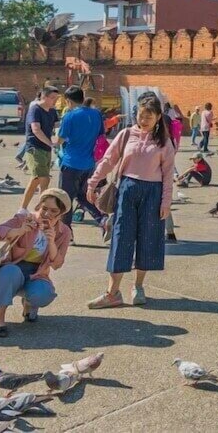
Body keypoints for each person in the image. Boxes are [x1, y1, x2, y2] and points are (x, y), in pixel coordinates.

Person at [85, 94, 176, 309]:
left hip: (153, 193)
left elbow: (168, 174)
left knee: (148, 239)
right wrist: (93, 181)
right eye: (140, 115)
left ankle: (138, 286)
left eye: (149, 116)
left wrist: (166, 202)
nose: (143, 120)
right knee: (121, 238)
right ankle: (112, 292)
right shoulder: (126, 135)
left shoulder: (164, 142)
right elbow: (108, 160)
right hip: (126, 190)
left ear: (157, 118)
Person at [0, 188, 72, 337]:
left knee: (43, 294)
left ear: (61, 213)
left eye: (53, 211)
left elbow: (57, 264)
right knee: (9, 273)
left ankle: (30, 303)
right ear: (39, 205)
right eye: (44, 208)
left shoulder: (63, 232)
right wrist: (18, 231)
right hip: (14, 268)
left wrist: (51, 242)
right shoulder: (24, 219)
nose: (47, 214)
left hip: (37, 274)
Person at [55, 86, 106, 231]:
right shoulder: (96, 114)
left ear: (68, 101)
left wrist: (54, 144)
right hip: (89, 164)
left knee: (65, 199)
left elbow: (60, 139)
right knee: (82, 196)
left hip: (71, 163)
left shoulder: (69, 116)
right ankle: (102, 218)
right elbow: (101, 135)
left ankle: (66, 231)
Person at [21, 87, 60, 210]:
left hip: (46, 149)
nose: (55, 101)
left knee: (36, 179)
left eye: (56, 98)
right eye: (53, 98)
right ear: (44, 97)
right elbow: (36, 129)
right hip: (34, 148)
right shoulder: (35, 110)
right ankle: (43, 208)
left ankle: (23, 208)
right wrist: (50, 143)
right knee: (44, 178)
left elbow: (58, 126)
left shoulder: (52, 111)